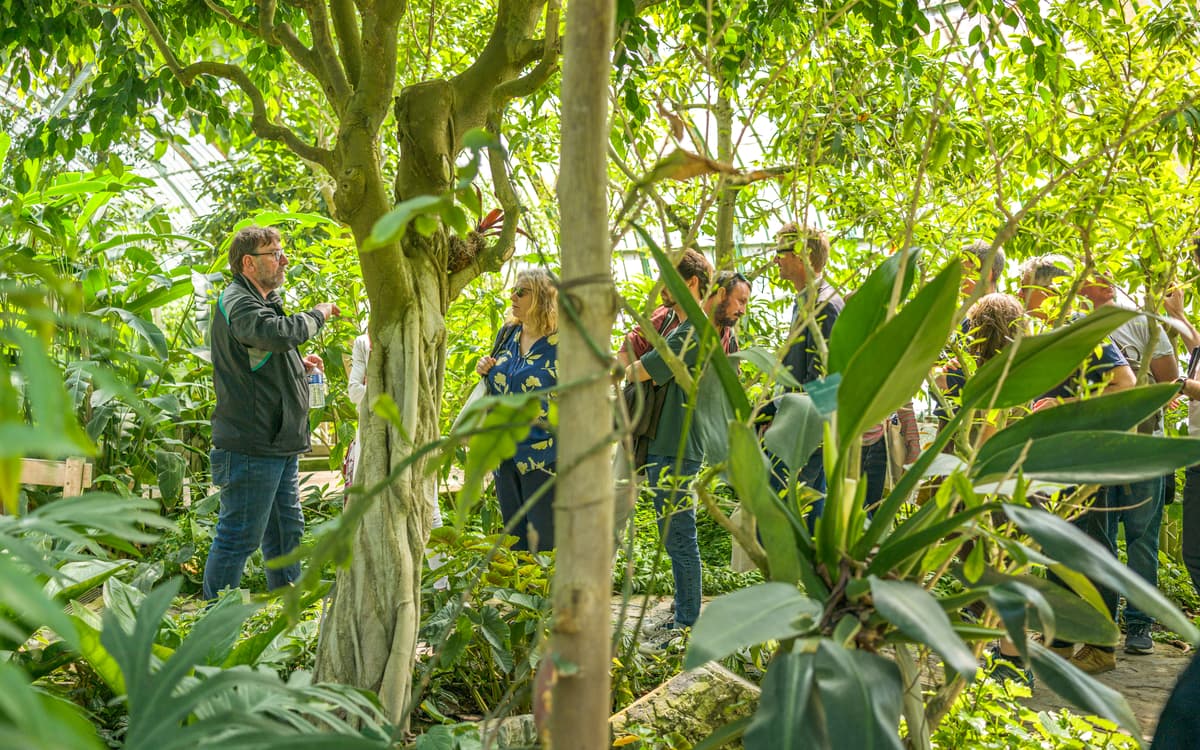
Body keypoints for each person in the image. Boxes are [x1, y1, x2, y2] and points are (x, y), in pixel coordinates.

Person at [203, 226, 340, 599]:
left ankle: (286, 610)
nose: (284, 260)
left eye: (282, 252)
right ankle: (217, 624)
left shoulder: (262, 300)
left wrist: (299, 366)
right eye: (274, 254)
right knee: (239, 537)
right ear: (248, 263)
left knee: (286, 530)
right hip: (251, 443)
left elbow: (262, 356)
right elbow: (275, 334)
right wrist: (318, 314)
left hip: (278, 441)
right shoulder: (238, 301)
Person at [1020, 254, 1135, 675]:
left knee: (1090, 549)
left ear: (1051, 290)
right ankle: (1062, 638)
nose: (1020, 292)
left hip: (1085, 461)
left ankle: (1102, 645)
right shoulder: (1049, 335)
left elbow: (1126, 386)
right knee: (1056, 546)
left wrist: (1064, 405)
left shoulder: (1085, 335)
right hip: (1055, 461)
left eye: (1026, 283)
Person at [625, 271, 751, 641]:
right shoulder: (717, 334)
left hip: (676, 445)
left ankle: (686, 621)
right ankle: (684, 613)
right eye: (740, 301)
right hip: (682, 442)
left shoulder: (695, 332)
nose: (742, 309)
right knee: (677, 532)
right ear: (718, 293)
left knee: (679, 534)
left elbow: (642, 370)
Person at [1080, 273, 1179, 655]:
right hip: (1094, 451)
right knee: (1099, 539)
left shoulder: (1143, 322)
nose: (1098, 283)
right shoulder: (1072, 322)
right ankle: (1100, 623)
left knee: (1141, 541)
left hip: (1143, 449)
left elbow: (1170, 381)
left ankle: (1139, 625)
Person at [476, 268, 559, 553]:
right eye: (514, 290)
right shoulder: (508, 332)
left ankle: (548, 598)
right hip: (504, 454)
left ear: (542, 298)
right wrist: (483, 367)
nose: (513, 296)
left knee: (544, 541)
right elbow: (497, 378)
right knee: (515, 539)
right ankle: (519, 596)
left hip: (543, 455)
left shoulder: (563, 343)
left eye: (521, 292)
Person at [770, 222, 844, 515]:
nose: (776, 259)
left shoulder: (825, 305)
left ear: (802, 254)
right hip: (794, 426)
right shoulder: (805, 299)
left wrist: (807, 447)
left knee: (801, 513)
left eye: (780, 251)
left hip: (807, 432)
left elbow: (825, 381)